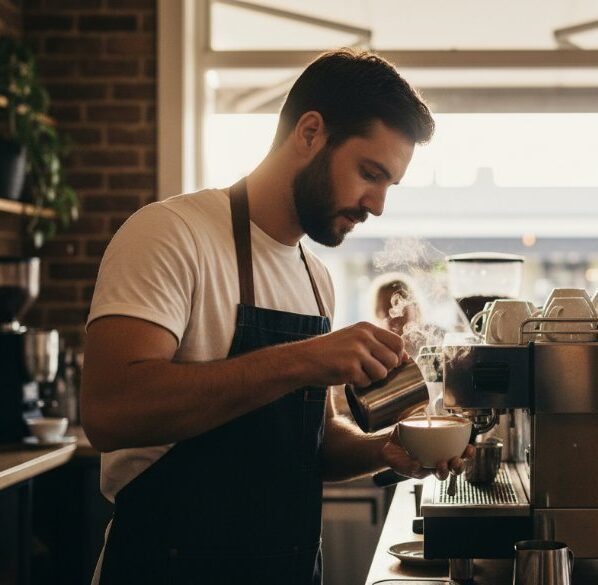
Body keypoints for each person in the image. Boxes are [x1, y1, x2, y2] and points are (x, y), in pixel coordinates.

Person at [81, 50, 472, 585]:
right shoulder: (171, 234)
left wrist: (384, 450)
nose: (377, 204)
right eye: (369, 173)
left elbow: (298, 442)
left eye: (388, 185)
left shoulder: (315, 277)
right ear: (310, 133)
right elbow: (109, 411)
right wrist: (301, 359)